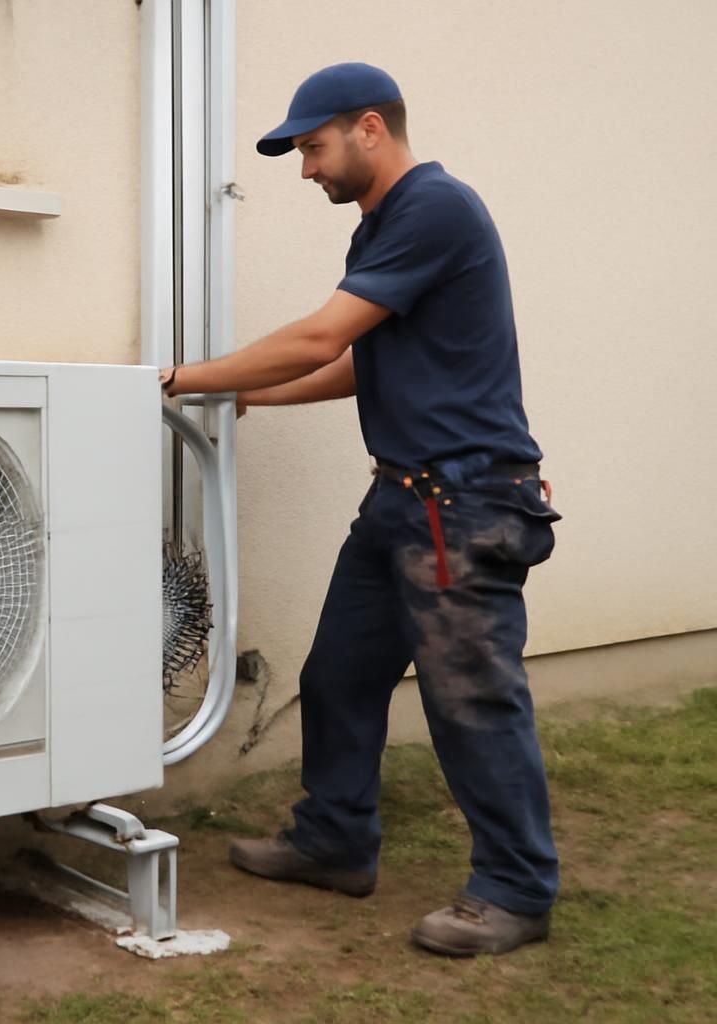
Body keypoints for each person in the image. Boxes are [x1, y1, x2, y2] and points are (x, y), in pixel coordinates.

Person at [161, 63, 560, 957]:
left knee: (472, 699)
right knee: (339, 673)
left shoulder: (435, 209)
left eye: (314, 147)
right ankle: (334, 841)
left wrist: (179, 379)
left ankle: (516, 889)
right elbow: (359, 364)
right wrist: (250, 394)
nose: (306, 169)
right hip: (403, 499)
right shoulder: (383, 226)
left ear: (370, 128)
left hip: (462, 506)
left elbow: (319, 337)